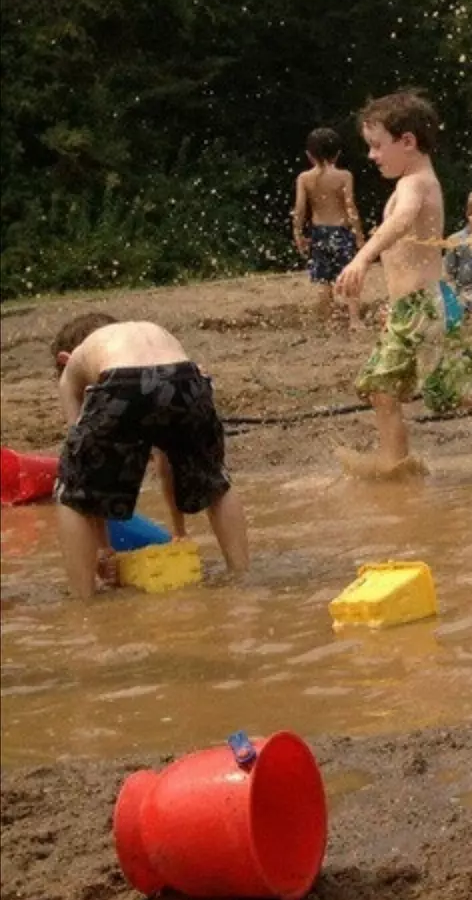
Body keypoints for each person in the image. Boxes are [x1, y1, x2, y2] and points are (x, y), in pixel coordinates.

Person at [335, 91, 472, 474]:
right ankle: (397, 464)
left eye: (377, 146)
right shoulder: (415, 181)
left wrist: (362, 257)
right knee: (389, 386)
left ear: (407, 141)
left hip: (425, 306)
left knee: (450, 391)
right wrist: (393, 306)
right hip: (414, 307)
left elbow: (403, 220)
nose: (372, 156)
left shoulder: (415, 184)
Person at [49, 314, 251, 600]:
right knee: (216, 480)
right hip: (187, 374)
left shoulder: (75, 367)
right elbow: (166, 457)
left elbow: (87, 477)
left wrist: (104, 549)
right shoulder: (146, 336)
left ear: (63, 360)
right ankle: (241, 576)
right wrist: (178, 533)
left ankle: (84, 602)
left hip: (121, 381)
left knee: (70, 491)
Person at [292, 127, 363, 329]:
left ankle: (328, 318)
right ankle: (354, 320)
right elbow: (350, 207)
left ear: (309, 155)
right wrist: (359, 235)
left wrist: (298, 233)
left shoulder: (304, 178)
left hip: (319, 232)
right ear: (338, 153)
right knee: (350, 277)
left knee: (323, 280)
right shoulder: (344, 176)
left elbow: (299, 209)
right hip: (341, 231)